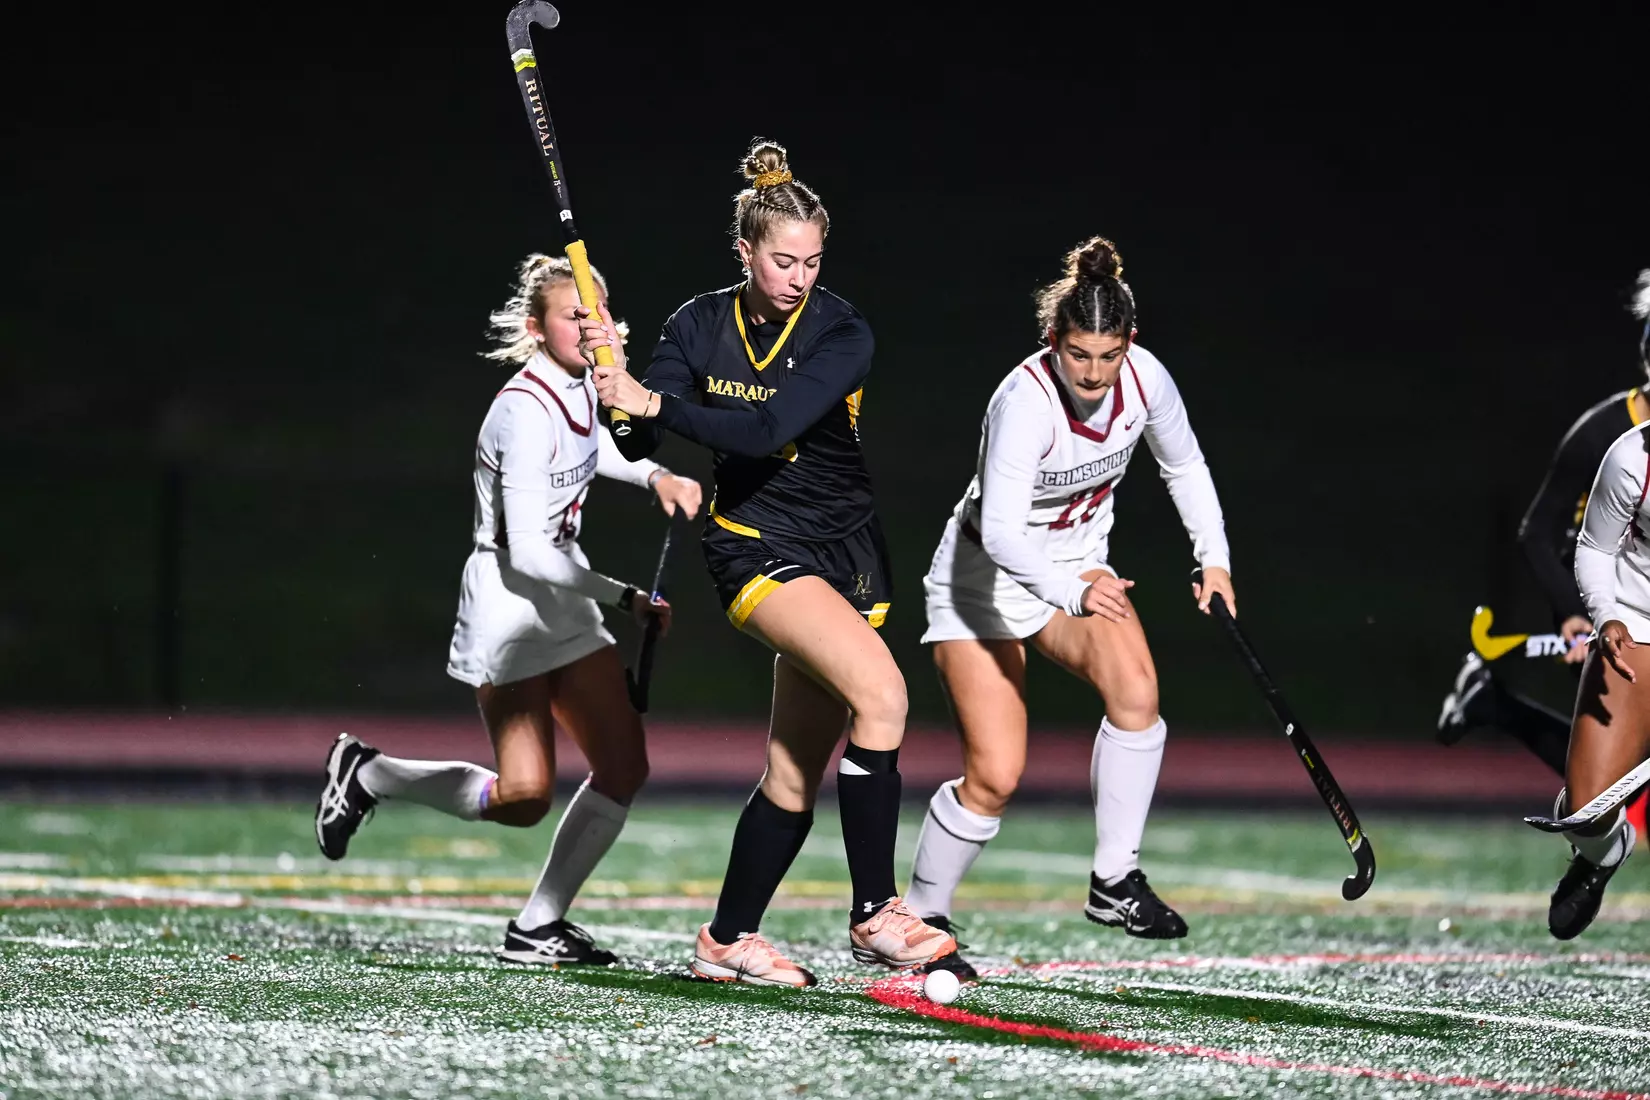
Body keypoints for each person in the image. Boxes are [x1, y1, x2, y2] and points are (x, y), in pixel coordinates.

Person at [584, 138, 956, 987]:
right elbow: (640, 434)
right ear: (744, 252)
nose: (799, 276)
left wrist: (651, 401)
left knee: (793, 768)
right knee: (883, 695)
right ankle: (875, 915)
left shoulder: (841, 330)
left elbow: (764, 429)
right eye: (783, 260)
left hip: (848, 553)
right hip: (753, 546)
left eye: (812, 261)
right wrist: (610, 377)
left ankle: (725, 940)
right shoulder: (693, 324)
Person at [312, 253, 702, 966]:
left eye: (599, 313)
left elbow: (590, 449)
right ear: (536, 327)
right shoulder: (520, 414)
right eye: (572, 315)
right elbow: (527, 555)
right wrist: (625, 598)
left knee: (622, 765)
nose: (591, 327)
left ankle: (538, 926)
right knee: (523, 797)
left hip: (565, 599)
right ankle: (369, 773)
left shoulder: (587, 386)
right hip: (510, 605)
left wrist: (655, 473)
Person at [903, 235, 1234, 979]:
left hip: (1074, 568)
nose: (1093, 373)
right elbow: (999, 531)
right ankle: (920, 914)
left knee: (1139, 695)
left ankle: (1114, 880)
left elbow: (1184, 464)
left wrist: (1213, 558)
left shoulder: (1146, 380)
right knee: (996, 775)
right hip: (981, 582)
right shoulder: (1023, 402)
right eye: (1078, 355)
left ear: (1129, 344)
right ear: (1052, 342)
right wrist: (1075, 591)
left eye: (1107, 356)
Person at [1438, 268, 1650, 842]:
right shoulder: (1608, 435)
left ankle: (1494, 705)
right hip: (1612, 595)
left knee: (1625, 779)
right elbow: (1540, 531)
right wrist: (1574, 613)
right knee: (1609, 779)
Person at [1544, 268, 1650, 940]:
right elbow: (1593, 550)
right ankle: (1602, 855)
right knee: (1585, 809)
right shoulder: (1630, 458)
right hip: (1640, 627)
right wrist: (1608, 614)